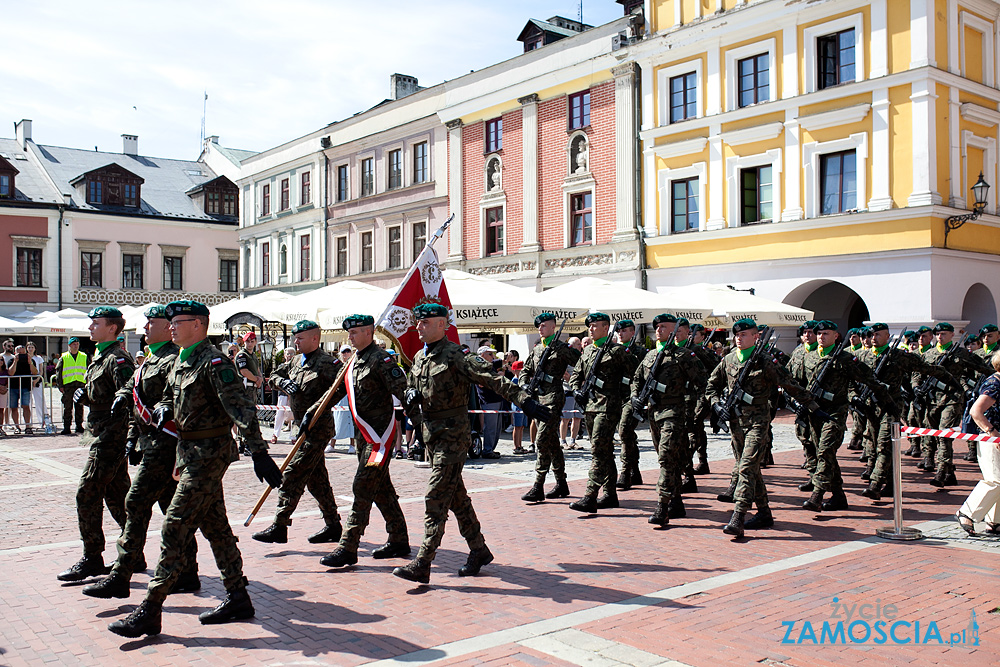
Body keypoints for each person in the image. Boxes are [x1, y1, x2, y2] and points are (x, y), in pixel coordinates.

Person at [107, 300, 282, 638]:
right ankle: (238, 596)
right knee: (215, 527)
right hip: (187, 453)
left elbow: (242, 409)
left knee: (174, 527)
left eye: (179, 321)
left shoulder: (214, 361)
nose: (171, 326)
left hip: (208, 455)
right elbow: (171, 399)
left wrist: (259, 452)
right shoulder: (182, 360)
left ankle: (150, 609)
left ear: (199, 324)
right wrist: (162, 409)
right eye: (170, 321)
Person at [391, 304, 550, 584]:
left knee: (435, 497)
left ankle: (424, 562)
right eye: (418, 322)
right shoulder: (419, 357)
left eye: (425, 323)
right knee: (456, 498)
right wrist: (411, 394)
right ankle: (478, 550)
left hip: (453, 435)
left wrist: (524, 400)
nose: (418, 327)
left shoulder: (456, 355)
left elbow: (492, 379)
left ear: (442, 325)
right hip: (432, 435)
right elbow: (411, 389)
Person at [82, 305, 200, 599]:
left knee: (136, 504)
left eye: (152, 323)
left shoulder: (172, 359)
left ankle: (123, 573)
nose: (146, 327)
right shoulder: (151, 358)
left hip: (166, 445)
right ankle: (187, 571)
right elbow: (135, 397)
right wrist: (133, 437)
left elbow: (173, 401)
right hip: (150, 445)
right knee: (171, 510)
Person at [314, 314, 411, 568]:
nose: (350, 337)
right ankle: (399, 538)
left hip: (380, 437)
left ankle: (348, 547)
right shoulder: (354, 361)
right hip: (363, 435)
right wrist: (313, 413)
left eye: (355, 333)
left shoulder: (382, 360)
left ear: (369, 332)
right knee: (380, 488)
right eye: (349, 333)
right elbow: (335, 392)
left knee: (363, 486)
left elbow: (403, 389)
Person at [706, 319, 814, 537]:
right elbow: (711, 385)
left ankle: (738, 516)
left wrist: (813, 405)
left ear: (756, 337)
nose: (739, 338)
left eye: (744, 334)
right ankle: (764, 513)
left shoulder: (764, 361)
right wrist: (717, 405)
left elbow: (789, 383)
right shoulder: (728, 360)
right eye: (737, 335)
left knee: (746, 467)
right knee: (751, 468)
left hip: (758, 421)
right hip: (736, 422)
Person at [57, 307, 135, 582]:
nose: (90, 328)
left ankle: (92, 557)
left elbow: (130, 399)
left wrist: (130, 438)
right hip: (101, 434)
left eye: (96, 323)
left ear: (112, 328)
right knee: (117, 497)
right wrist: (85, 397)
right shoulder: (101, 356)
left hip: (111, 438)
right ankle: (133, 553)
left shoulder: (118, 359)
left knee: (87, 493)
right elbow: (104, 396)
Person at [253, 321, 343, 545]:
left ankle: (280, 525)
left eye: (300, 338)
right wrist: (282, 382)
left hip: (317, 428)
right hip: (299, 428)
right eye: (295, 338)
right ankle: (333, 525)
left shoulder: (328, 363)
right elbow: (273, 376)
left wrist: (315, 410)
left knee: (292, 473)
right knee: (316, 479)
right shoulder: (294, 361)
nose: (296, 342)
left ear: (315, 338)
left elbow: (340, 389)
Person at [793, 321, 892, 512]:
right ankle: (839, 496)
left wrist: (887, 400)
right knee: (827, 455)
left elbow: (868, 378)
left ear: (836, 336)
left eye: (826, 333)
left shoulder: (844, 358)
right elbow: (796, 382)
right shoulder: (809, 357)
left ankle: (818, 495)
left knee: (824, 451)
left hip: (834, 414)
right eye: (819, 333)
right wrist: (798, 402)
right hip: (814, 413)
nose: (821, 337)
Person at [855, 323, 955, 501]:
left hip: (891, 407)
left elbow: (925, 368)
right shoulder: (862, 356)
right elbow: (850, 380)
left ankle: (875, 484)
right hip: (870, 408)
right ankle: (892, 484)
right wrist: (853, 397)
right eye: (872, 335)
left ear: (887, 337)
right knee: (873, 443)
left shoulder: (899, 356)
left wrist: (952, 381)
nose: (874, 338)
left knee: (884, 444)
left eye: (879, 335)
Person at [632, 313, 703, 526]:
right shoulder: (651, 355)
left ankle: (662, 506)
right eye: (657, 327)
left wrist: (698, 410)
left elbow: (703, 383)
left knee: (665, 456)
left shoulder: (684, 356)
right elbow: (637, 378)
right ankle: (677, 500)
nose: (659, 330)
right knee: (669, 459)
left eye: (664, 327)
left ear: (674, 330)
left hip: (675, 412)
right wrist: (636, 396)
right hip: (654, 413)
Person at [567, 313, 630, 513]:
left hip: (608, 407)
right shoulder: (587, 353)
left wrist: (624, 395)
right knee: (605, 451)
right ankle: (610, 494)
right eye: (590, 326)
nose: (591, 329)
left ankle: (590, 496)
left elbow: (634, 375)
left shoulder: (618, 351)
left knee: (598, 451)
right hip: (591, 407)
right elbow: (576, 375)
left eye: (595, 326)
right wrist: (577, 389)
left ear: (606, 328)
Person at [519, 313, 582, 502]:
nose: (540, 328)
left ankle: (538, 486)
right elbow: (525, 370)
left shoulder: (562, 348)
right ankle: (562, 484)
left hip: (554, 397)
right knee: (553, 442)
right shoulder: (538, 349)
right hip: (538, 398)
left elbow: (580, 362)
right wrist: (523, 384)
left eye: (544, 325)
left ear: (553, 327)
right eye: (539, 326)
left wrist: (575, 381)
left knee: (542, 440)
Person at [920, 322, 992, 487]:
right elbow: (918, 372)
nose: (940, 337)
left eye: (944, 334)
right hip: (932, 399)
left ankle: (940, 472)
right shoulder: (929, 353)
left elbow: (982, 368)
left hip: (952, 398)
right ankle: (950, 472)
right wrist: (917, 387)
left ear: (952, 335)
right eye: (938, 334)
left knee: (944, 434)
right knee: (933, 433)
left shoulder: (961, 353)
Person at [956, 350, 1000, 536]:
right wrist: (992, 432)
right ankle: (967, 512)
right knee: (995, 480)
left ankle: (995, 520)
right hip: (992, 438)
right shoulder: (995, 383)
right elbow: (976, 411)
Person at [614, 319, 646, 491]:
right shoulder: (613, 350)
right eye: (618, 330)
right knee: (627, 435)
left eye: (624, 330)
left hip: (632, 398)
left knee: (624, 431)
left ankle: (625, 472)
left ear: (633, 332)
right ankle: (635, 470)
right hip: (616, 398)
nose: (620, 333)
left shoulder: (640, 352)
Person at [686, 323, 720, 474]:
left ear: (702, 337)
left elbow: (717, 367)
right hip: (688, 395)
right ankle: (703, 461)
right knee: (698, 428)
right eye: (689, 334)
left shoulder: (701, 350)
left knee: (693, 425)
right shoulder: (686, 349)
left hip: (702, 394)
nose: (690, 337)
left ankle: (686, 460)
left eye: (694, 334)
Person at [787, 321, 818, 476]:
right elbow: (788, 376)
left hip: (817, 403)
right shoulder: (797, 352)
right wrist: (792, 399)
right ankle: (811, 463)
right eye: (805, 332)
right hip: (800, 401)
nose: (808, 335)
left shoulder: (822, 352)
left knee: (818, 439)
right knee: (803, 435)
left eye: (811, 332)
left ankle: (818, 471)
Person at [55, 337, 88, 434]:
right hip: (68, 385)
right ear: (69, 345)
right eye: (73, 344)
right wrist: (60, 385)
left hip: (80, 384)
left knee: (79, 406)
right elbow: (59, 372)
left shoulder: (84, 356)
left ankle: (79, 425)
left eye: (77, 343)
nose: (76, 345)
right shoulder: (64, 357)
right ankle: (66, 426)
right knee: (68, 407)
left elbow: (89, 370)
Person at [476, 346, 504, 459]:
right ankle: (487, 450)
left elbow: (503, 361)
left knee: (497, 427)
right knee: (491, 427)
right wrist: (498, 377)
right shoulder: (479, 367)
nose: (493, 357)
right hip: (489, 400)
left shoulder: (490, 365)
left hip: (497, 398)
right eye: (490, 354)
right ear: (483, 355)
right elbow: (482, 383)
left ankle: (491, 448)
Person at [329, 345, 356, 454]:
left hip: (351, 394)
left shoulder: (355, 365)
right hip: (340, 396)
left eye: (348, 351)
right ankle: (332, 444)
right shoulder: (337, 366)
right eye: (343, 352)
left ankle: (352, 444)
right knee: (337, 419)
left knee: (351, 420)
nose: (346, 354)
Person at [7, 345, 37, 433]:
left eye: (23, 353)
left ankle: (28, 426)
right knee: (14, 407)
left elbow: (35, 372)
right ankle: (17, 426)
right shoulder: (11, 361)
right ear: (15, 353)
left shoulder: (31, 361)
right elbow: (10, 373)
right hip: (13, 387)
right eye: (19, 353)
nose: (21, 355)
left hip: (25, 386)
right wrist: (15, 362)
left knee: (26, 406)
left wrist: (30, 362)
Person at [26, 341, 47, 432]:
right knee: (28, 402)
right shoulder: (25, 357)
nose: (30, 349)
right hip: (26, 381)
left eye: (32, 347)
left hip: (37, 381)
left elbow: (41, 370)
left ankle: (43, 420)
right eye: (29, 347)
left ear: (35, 349)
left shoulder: (38, 358)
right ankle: (28, 422)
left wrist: (37, 379)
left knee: (40, 401)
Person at [510, 360, 529, 454]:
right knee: (517, 427)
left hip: (523, 405)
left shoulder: (523, 381)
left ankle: (520, 445)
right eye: (519, 370)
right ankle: (516, 446)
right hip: (517, 406)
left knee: (521, 427)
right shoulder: (514, 381)